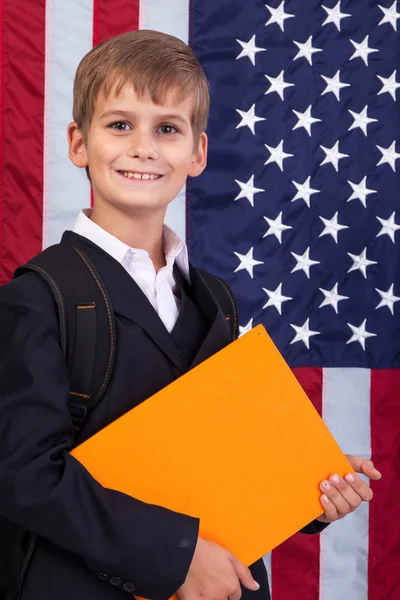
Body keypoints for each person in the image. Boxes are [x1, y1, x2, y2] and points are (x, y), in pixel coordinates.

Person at [0, 30, 382, 600]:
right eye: (120, 124)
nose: (144, 148)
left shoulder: (215, 299)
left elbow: (214, 456)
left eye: (168, 129)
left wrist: (305, 484)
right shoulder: (38, 297)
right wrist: (177, 558)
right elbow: (24, 475)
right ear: (79, 143)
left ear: (197, 153)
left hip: (227, 583)